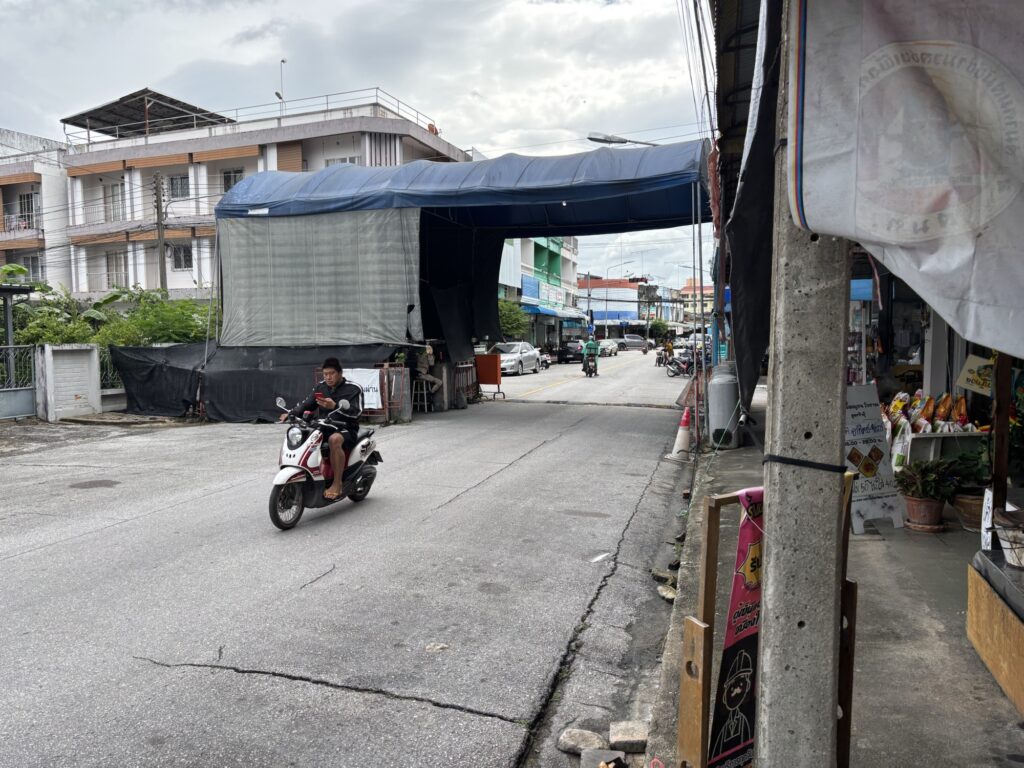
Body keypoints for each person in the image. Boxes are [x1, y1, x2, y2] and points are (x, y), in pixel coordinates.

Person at [280, 357, 364, 500]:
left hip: (346, 428)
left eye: (331, 373)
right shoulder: (321, 387)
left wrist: (335, 406)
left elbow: (357, 412)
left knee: (334, 439)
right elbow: (307, 404)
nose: (328, 377)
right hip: (324, 426)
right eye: (325, 374)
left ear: (340, 373)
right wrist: (291, 413)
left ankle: (337, 483)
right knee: (305, 436)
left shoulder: (353, 388)